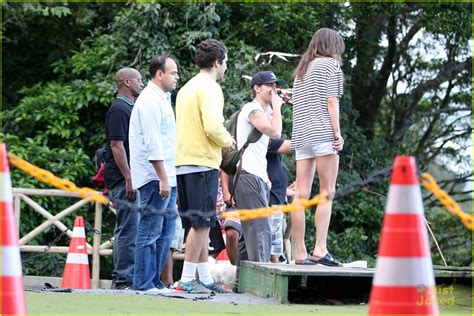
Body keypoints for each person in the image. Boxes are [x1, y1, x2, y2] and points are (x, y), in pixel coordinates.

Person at [175, 39, 234, 294]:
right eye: (226, 62)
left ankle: (205, 278)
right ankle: (187, 279)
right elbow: (212, 126)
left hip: (183, 161)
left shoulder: (187, 88)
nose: (226, 68)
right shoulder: (210, 88)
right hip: (202, 162)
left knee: (198, 223)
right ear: (217, 62)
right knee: (202, 224)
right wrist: (227, 140)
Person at [291, 28, 345, 266]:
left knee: (300, 195)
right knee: (327, 192)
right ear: (332, 46)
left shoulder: (301, 70)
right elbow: (331, 101)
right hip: (323, 133)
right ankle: (320, 249)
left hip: (301, 136)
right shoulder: (331, 66)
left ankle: (300, 253)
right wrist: (337, 133)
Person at [129, 55, 180, 292]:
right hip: (154, 177)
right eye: (173, 73)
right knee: (149, 230)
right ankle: (143, 283)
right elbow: (152, 144)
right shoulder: (149, 100)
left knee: (166, 232)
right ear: (159, 74)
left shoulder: (163, 98)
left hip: (168, 174)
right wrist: (162, 178)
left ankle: (155, 282)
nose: (177, 77)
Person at [233, 71, 283, 263]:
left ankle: (242, 285)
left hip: (256, 178)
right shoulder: (251, 109)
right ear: (256, 88)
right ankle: (259, 287)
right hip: (249, 177)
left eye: (275, 85)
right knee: (262, 232)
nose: (274, 89)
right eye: (269, 85)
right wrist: (277, 107)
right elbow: (275, 132)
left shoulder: (262, 112)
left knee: (249, 236)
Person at [104, 67, 143, 290]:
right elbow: (116, 146)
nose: (142, 83)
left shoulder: (131, 108)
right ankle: (122, 279)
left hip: (130, 177)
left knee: (133, 227)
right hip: (122, 178)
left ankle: (129, 277)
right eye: (138, 80)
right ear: (126, 83)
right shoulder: (119, 109)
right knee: (128, 228)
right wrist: (129, 178)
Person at [266, 138, 292, 263]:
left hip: (278, 194)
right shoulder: (266, 139)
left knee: (277, 236)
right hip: (272, 196)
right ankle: (275, 266)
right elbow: (292, 146)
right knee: (273, 237)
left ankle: (277, 262)